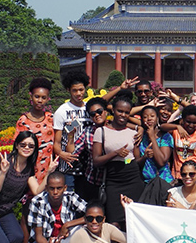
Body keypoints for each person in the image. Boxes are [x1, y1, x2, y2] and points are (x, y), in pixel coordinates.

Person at [16, 77, 55, 243]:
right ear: (31, 97)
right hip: (29, 176)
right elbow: (18, 147)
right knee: (27, 219)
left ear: (48, 99)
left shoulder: (52, 119)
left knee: (46, 219)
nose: (40, 100)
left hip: (48, 174)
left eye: (43, 97)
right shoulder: (23, 121)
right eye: (37, 96)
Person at [27, 171, 89, 243]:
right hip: (44, 242)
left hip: (65, 240)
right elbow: (38, 235)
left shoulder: (71, 197)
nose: (55, 192)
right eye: (52, 188)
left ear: (65, 188)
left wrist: (68, 225)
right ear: (46, 188)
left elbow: (92, 214)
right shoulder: (37, 202)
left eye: (59, 188)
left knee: (85, 231)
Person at [92, 93, 144, 228]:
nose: (123, 115)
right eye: (120, 111)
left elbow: (137, 160)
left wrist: (146, 157)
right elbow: (96, 161)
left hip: (133, 178)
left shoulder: (134, 133)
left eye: (127, 112)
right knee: (114, 222)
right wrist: (115, 153)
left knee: (133, 220)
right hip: (113, 180)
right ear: (113, 110)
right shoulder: (101, 131)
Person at [53, 70, 92, 194]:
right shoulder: (62, 111)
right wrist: (61, 154)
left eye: (81, 89)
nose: (78, 93)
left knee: (85, 198)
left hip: (87, 165)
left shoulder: (89, 108)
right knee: (67, 196)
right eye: (75, 90)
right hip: (68, 165)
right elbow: (57, 142)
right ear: (68, 90)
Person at [133, 105, 174, 184]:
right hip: (145, 183)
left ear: (157, 118)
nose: (149, 118)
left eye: (152, 116)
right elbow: (136, 163)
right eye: (145, 117)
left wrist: (152, 137)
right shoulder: (139, 137)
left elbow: (161, 162)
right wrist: (144, 157)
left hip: (164, 182)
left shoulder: (165, 137)